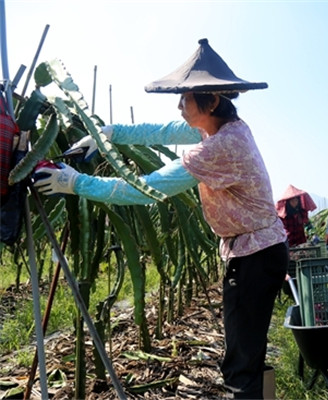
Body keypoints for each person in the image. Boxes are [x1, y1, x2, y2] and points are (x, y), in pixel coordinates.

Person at [33, 38, 288, 399]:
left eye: (185, 98)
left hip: (254, 257)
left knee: (240, 362)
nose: (180, 105)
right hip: (258, 250)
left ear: (211, 100)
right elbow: (165, 132)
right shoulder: (223, 127)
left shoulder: (219, 147)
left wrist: (75, 183)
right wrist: (111, 134)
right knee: (248, 347)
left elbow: (147, 189)